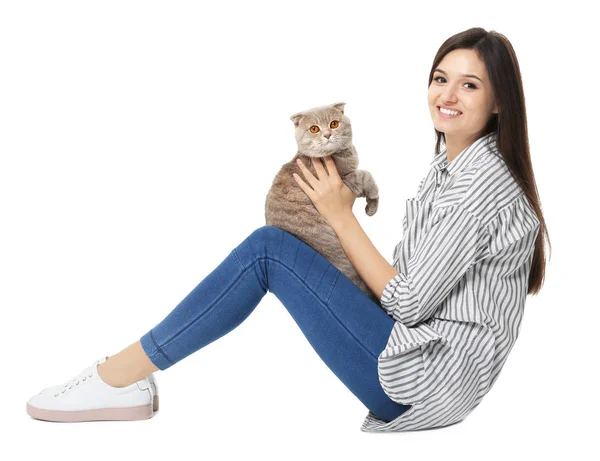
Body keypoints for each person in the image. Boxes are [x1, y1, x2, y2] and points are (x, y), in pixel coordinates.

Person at [26, 27, 549, 432]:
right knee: (280, 249)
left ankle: (116, 378)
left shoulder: (480, 185)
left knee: (267, 252)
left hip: (423, 381)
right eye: (440, 78)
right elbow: (409, 294)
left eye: (470, 84)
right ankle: (125, 377)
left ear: (499, 101)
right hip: (422, 362)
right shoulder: (449, 170)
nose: (447, 93)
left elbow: (409, 303)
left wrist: (341, 216)